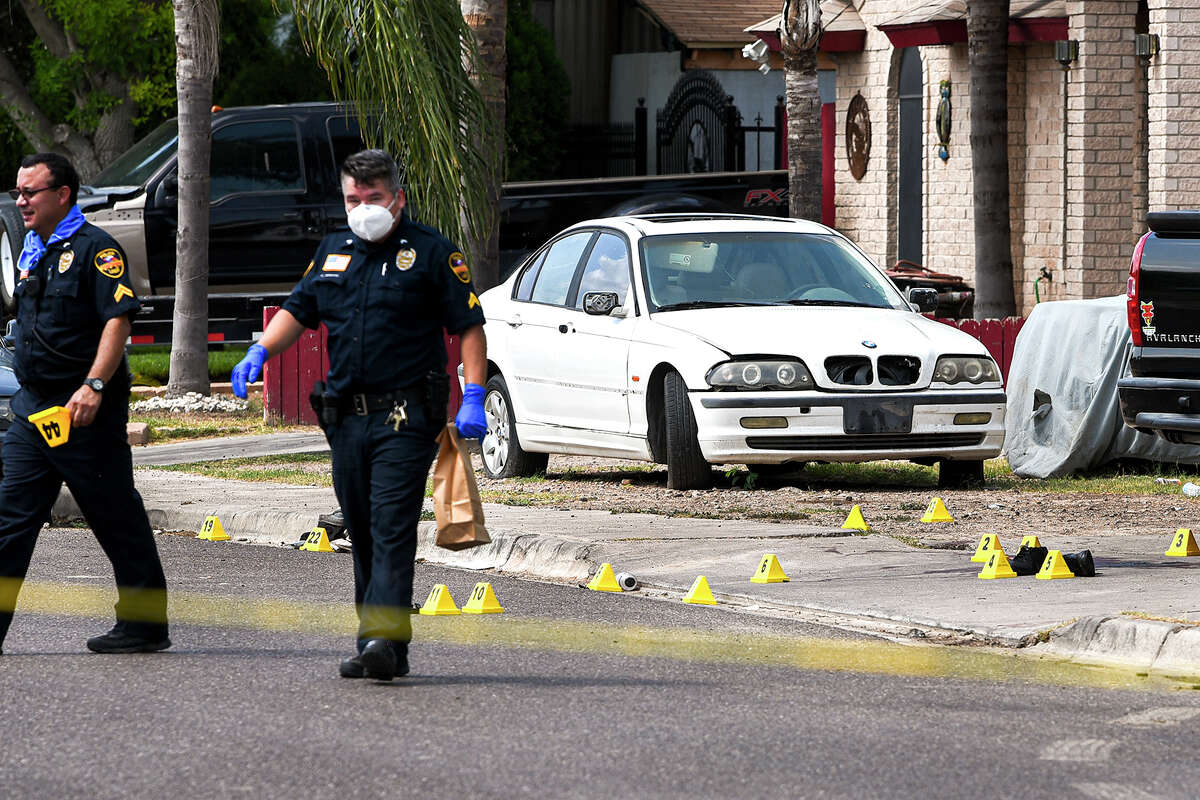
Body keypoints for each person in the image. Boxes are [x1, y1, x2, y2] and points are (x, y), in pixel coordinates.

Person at [231, 149, 487, 681]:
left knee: (391, 523)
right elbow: (297, 311)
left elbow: (468, 326)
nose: (363, 207)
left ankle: (380, 637)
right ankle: (384, 643)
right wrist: (261, 351)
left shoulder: (433, 252)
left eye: (373, 198)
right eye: (354, 198)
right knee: (363, 529)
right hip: (347, 416)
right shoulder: (332, 253)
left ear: (397, 198)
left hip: (406, 414)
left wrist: (475, 394)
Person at [0, 153, 170, 654]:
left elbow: (118, 320)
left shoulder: (98, 250)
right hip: (34, 409)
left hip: (84, 410)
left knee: (115, 516)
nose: (21, 201)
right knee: (10, 521)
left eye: (30, 192)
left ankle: (143, 625)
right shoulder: (32, 249)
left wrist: (94, 385)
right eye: (18, 191)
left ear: (63, 195)